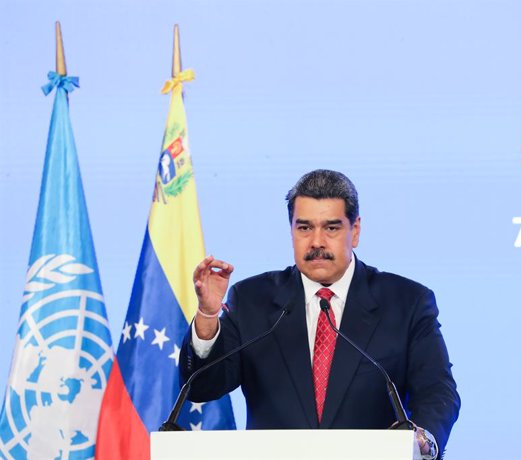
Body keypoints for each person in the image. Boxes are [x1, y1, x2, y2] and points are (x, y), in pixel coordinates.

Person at [180, 169, 460, 458]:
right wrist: (207, 315)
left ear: (356, 230)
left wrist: (423, 438)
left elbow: (437, 391)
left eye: (331, 228)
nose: (316, 242)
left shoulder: (407, 302)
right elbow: (203, 387)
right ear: (291, 231)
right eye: (304, 228)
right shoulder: (252, 299)